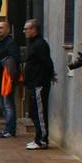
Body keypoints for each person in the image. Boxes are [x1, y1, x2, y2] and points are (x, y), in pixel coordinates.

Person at [22, 18, 55, 150]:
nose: (25, 31)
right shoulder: (33, 43)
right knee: (35, 112)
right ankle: (38, 137)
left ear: (34, 30)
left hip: (39, 83)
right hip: (33, 83)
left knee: (40, 112)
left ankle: (42, 139)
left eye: (27, 29)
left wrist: (50, 74)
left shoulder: (40, 44)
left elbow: (47, 62)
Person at [0, 19, 19, 138]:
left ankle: (10, 129)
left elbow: (14, 60)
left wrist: (0, 60)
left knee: (8, 105)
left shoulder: (11, 43)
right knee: (3, 105)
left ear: (8, 29)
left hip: (6, 79)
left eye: (1, 28)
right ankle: (7, 128)